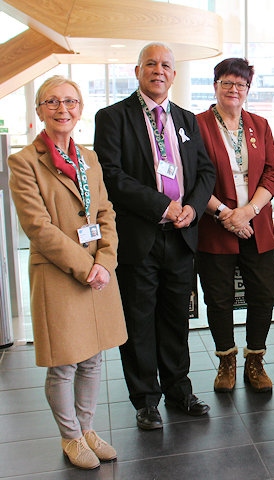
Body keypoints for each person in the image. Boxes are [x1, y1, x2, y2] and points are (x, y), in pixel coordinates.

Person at [93, 42, 216, 430]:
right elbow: (111, 175)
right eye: (151, 64)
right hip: (140, 237)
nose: (158, 70)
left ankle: (179, 390)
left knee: (176, 317)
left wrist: (193, 208)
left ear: (174, 75)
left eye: (165, 64)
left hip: (181, 237)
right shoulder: (113, 117)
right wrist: (163, 205)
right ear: (138, 71)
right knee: (140, 320)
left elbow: (205, 172)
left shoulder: (185, 119)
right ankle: (146, 399)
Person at [8, 75, 128, 469]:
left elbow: (106, 212)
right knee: (64, 363)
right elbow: (37, 227)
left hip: (97, 273)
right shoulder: (24, 162)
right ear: (39, 110)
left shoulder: (88, 157)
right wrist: (86, 268)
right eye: (53, 102)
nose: (63, 109)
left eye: (71, 102)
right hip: (61, 274)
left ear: (80, 109)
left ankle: (88, 428)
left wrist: (105, 262)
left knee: (92, 358)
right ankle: (71, 437)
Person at [196, 58, 274, 393]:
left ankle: (255, 359)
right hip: (214, 226)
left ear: (248, 88)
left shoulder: (259, 125)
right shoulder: (197, 124)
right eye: (227, 83)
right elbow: (191, 178)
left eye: (240, 84)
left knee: (263, 295)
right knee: (219, 299)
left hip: (256, 225)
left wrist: (248, 211)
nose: (234, 90)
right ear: (215, 85)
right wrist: (225, 215)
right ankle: (226, 360)